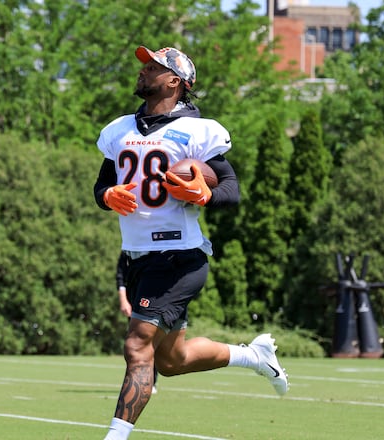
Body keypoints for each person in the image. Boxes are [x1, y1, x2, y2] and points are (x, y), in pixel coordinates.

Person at [93, 45, 288, 440]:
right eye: (144, 66)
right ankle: (252, 356)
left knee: (137, 345)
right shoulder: (118, 129)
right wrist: (106, 197)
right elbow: (101, 184)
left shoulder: (198, 131)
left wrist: (204, 195)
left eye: (153, 68)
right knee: (172, 359)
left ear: (175, 82)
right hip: (138, 257)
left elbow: (230, 190)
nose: (143, 72)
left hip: (179, 256)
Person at [116, 251, 158, 394]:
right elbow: (120, 276)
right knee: (136, 343)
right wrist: (123, 300)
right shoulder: (128, 249)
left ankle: (152, 381)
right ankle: (137, 380)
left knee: (154, 341)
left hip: (154, 297)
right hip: (134, 298)